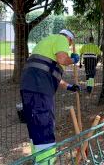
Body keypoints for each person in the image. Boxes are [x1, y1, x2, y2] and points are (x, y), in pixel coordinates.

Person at [20, 29, 80, 164]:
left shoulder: (46, 43)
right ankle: (46, 162)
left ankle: (38, 159)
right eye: (70, 44)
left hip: (29, 86)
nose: (69, 46)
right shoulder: (61, 39)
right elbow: (62, 59)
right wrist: (73, 59)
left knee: (35, 126)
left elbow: (51, 73)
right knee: (44, 125)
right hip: (39, 88)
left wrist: (70, 87)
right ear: (69, 39)